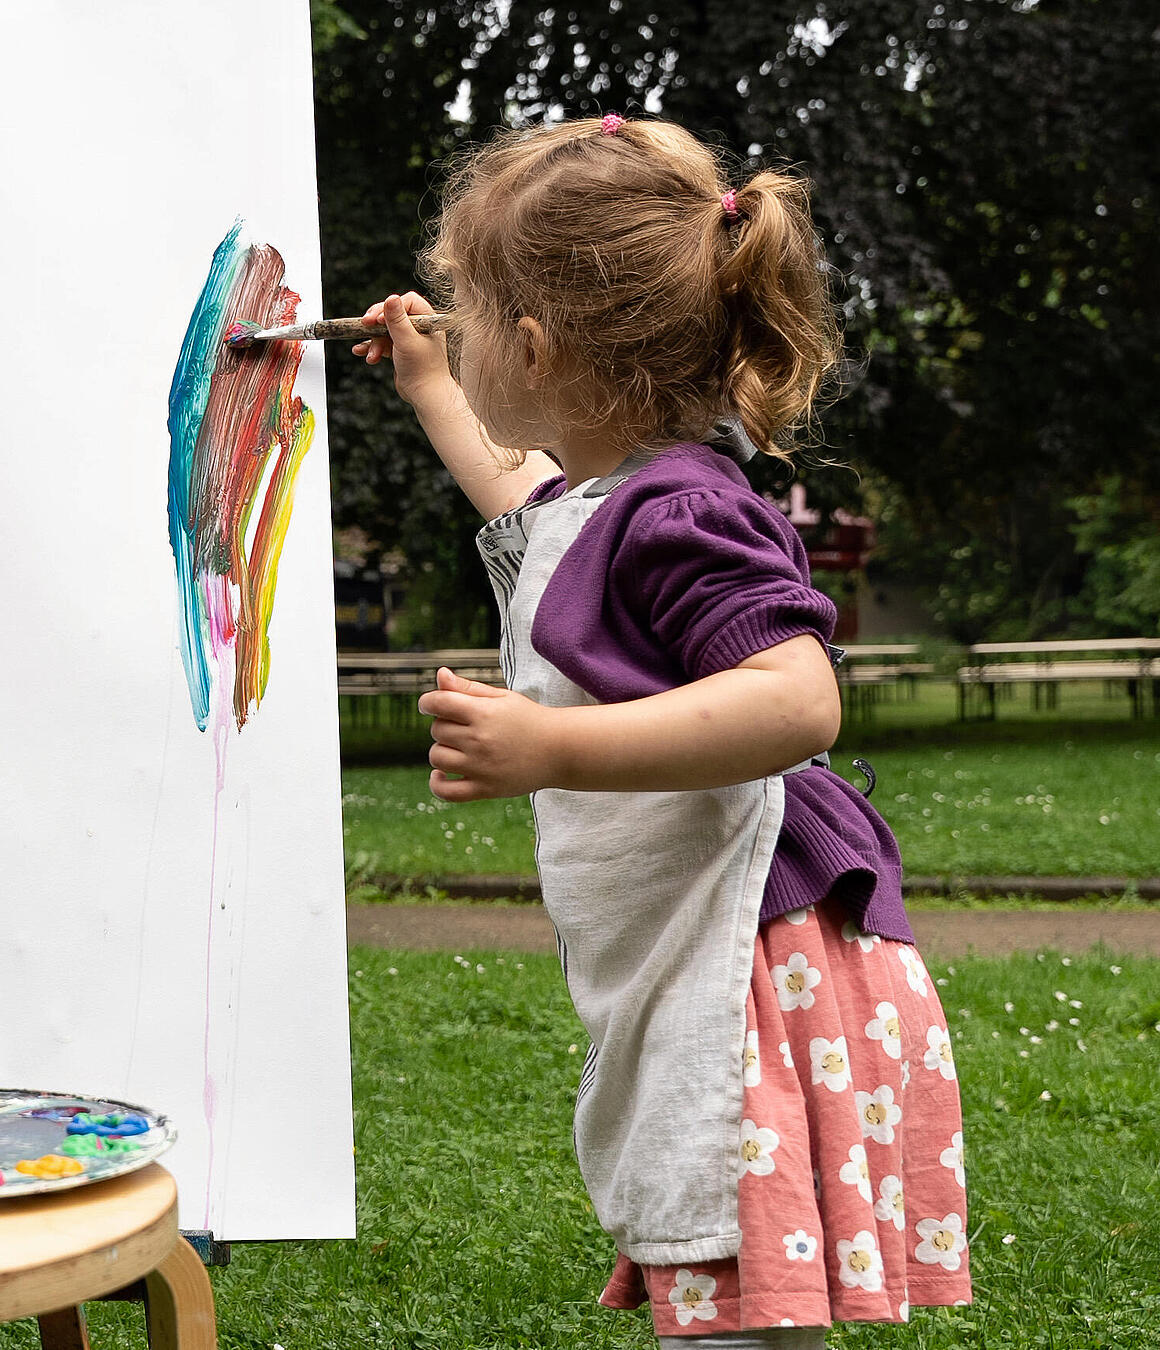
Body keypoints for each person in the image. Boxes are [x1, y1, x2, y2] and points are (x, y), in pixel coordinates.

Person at [359, 114, 969, 1347]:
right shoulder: (618, 491)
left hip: (762, 959)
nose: (456, 331)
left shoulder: (683, 504)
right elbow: (524, 503)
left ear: (532, 347)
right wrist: (430, 385)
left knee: (744, 1283)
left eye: (465, 316)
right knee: (737, 1280)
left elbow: (798, 699)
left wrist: (553, 747)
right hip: (741, 944)